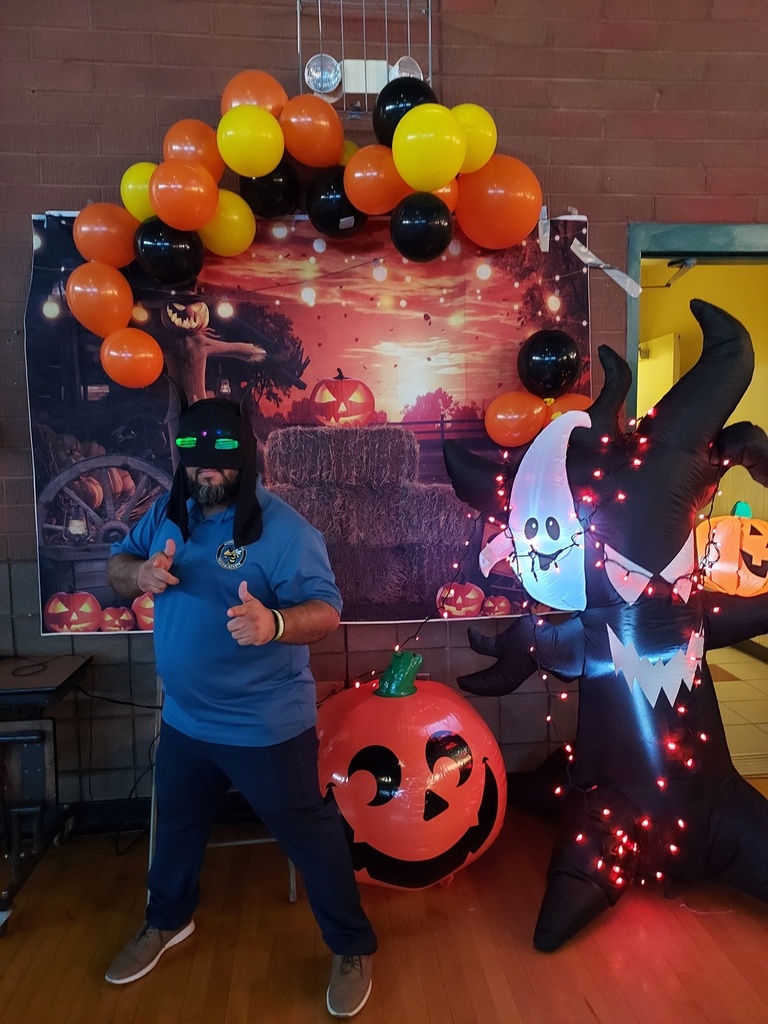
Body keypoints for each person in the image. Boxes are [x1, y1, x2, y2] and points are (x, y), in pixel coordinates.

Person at [104, 398, 377, 1019]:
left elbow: (327, 612)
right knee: (174, 828)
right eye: (195, 464)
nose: (206, 476)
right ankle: (167, 921)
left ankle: (352, 945)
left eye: (220, 466)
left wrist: (275, 622)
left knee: (309, 836)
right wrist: (140, 573)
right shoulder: (168, 514)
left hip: (265, 726)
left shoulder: (286, 532)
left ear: (245, 464)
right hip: (185, 720)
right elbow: (117, 566)